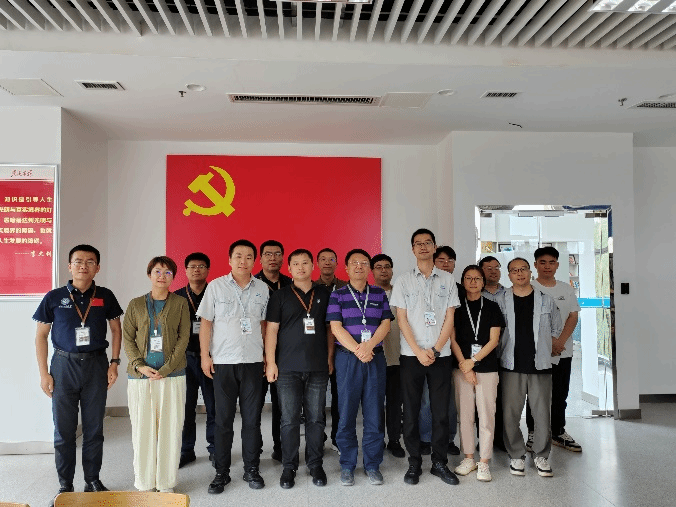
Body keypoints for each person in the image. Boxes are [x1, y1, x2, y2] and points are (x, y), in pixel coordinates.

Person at [34, 245, 123, 505]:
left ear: (98, 267)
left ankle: (92, 480)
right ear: (69, 266)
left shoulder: (105, 295)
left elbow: (116, 330)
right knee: (64, 431)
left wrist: (114, 363)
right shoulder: (54, 297)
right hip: (63, 367)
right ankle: (65, 485)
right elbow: (41, 336)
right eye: (78, 261)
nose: (84, 266)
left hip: (96, 365)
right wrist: (44, 373)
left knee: (94, 428)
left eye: (90, 261)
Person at [390, 229, 460, 486]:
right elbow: (402, 319)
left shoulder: (448, 280)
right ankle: (414, 462)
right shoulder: (403, 281)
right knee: (410, 411)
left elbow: (450, 317)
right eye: (418, 244)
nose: (422, 247)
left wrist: (436, 349)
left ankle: (439, 462)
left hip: (441, 355)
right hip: (411, 355)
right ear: (412, 249)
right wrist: (419, 351)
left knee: (440, 412)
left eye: (427, 243)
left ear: (434, 247)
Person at [199, 240, 270, 494]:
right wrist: (205, 356)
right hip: (223, 362)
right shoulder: (216, 287)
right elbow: (206, 324)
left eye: (249, 256)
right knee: (223, 421)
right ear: (229, 260)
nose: (243, 261)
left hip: (252, 362)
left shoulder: (262, 288)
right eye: (238, 256)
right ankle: (222, 472)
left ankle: (251, 469)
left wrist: (267, 355)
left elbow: (264, 325)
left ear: (254, 261)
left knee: (252, 420)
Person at [264, 249, 333, 489]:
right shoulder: (280, 296)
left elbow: (330, 329)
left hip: (318, 367)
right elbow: (271, 330)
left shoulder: (324, 293)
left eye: (305, 263)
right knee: (289, 420)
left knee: (316, 419)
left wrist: (330, 358)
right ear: (289, 268)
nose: (301, 267)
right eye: (296, 264)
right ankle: (289, 466)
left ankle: (315, 464)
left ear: (313, 266)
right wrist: (271, 362)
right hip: (287, 369)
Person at [123, 256, 190, 493]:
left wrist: (166, 368)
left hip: (172, 376)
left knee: (170, 429)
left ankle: (166, 482)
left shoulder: (180, 303)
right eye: (158, 271)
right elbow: (128, 338)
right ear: (149, 274)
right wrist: (139, 365)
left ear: (173, 277)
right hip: (141, 378)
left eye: (168, 272)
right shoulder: (135, 304)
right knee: (142, 430)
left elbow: (183, 338)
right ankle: (144, 482)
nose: (162, 276)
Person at [327, 249, 393, 486]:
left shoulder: (379, 293)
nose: (359, 266)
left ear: (369, 268)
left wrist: (369, 346)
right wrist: (358, 349)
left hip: (374, 357)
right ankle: (347, 465)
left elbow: (386, 324)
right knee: (346, 412)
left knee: (374, 412)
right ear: (346, 268)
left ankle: (372, 464)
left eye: (364, 263)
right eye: (354, 263)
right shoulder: (338, 295)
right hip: (348, 358)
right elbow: (336, 327)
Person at [496, 257, 562, 478]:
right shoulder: (500, 300)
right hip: (510, 365)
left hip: (540, 365)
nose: (519, 273)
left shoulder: (546, 300)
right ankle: (516, 454)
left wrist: (549, 346)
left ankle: (541, 455)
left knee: (542, 414)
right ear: (509, 275)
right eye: (514, 270)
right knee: (510, 414)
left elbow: (556, 327)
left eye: (523, 269)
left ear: (530, 272)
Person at [451, 265, 504, 482]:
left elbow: (494, 340)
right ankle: (468, 458)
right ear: (463, 281)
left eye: (477, 278)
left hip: (487, 368)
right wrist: (464, 365)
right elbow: (452, 339)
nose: (473, 282)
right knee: (465, 415)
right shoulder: (455, 308)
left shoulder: (492, 307)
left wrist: (472, 362)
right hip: (461, 368)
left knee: (486, 414)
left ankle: (484, 461)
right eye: (468, 278)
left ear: (483, 282)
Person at [526, 247, 582, 453]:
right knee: (535, 395)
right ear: (535, 265)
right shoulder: (529, 288)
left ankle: (558, 431)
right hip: (537, 352)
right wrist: (550, 342)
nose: (547, 266)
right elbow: (529, 320)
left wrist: (560, 342)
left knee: (560, 394)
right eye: (542, 262)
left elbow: (573, 316)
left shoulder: (565, 289)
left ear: (557, 265)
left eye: (551, 262)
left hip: (563, 351)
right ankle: (533, 433)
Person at [174, 252, 216, 468]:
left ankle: (215, 449)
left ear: (208, 270)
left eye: (201, 266)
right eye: (192, 266)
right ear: (186, 270)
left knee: (214, 406)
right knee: (186, 408)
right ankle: (186, 450)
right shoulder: (176, 297)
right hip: (185, 360)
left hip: (211, 359)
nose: (196, 270)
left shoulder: (216, 293)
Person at [255, 239, 292, 462]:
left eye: (277, 254)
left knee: (282, 406)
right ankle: (255, 450)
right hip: (256, 353)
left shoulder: (290, 284)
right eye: (268, 254)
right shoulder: (252, 284)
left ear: (283, 258)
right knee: (255, 406)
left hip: (284, 353)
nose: (273, 258)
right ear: (260, 259)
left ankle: (281, 448)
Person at [371, 253, 405, 459]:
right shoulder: (368, 294)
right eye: (379, 267)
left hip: (397, 357)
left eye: (387, 266)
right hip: (374, 357)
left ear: (392, 270)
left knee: (394, 402)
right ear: (372, 271)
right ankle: (376, 441)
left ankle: (394, 440)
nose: (383, 270)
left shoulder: (401, 293)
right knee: (374, 404)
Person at [315, 247, 348, 451]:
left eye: (331, 259)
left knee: (339, 398)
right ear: (317, 263)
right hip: (317, 350)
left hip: (343, 349)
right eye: (323, 259)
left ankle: (337, 438)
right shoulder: (311, 288)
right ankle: (318, 438)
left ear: (337, 263)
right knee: (317, 400)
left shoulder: (346, 287)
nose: (327, 262)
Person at [478, 255, 507, 451]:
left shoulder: (509, 293)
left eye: (497, 267)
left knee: (502, 399)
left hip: (505, 353)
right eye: (488, 268)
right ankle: (482, 439)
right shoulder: (475, 294)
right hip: (482, 355)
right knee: (481, 401)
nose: (493, 271)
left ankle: (501, 438)